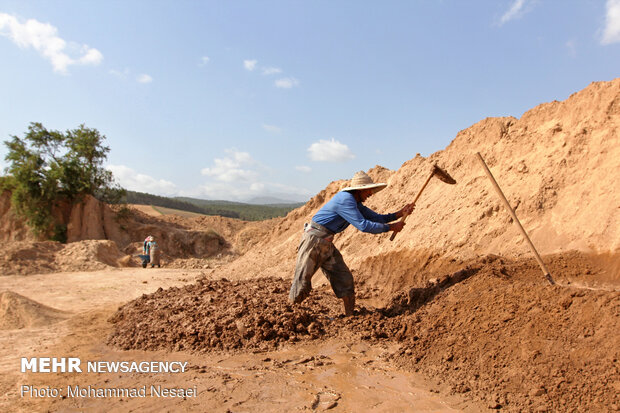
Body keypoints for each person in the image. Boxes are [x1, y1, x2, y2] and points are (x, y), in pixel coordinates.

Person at [289, 171, 415, 316]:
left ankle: (350, 317)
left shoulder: (356, 203)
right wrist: (391, 227)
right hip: (314, 240)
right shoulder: (346, 200)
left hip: (326, 241)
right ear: (360, 189)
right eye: (369, 190)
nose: (371, 193)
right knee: (302, 280)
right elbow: (364, 225)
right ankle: (291, 317)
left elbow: (376, 218)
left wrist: (399, 213)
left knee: (344, 279)